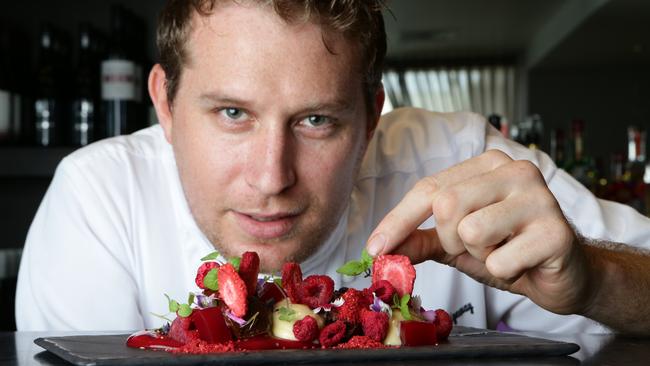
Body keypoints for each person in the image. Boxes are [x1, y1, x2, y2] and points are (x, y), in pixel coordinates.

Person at [15, 0, 650, 335]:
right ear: (165, 105)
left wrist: (593, 281)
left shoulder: (459, 158)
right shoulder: (99, 201)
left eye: (317, 120)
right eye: (233, 113)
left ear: (372, 117)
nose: (271, 178)